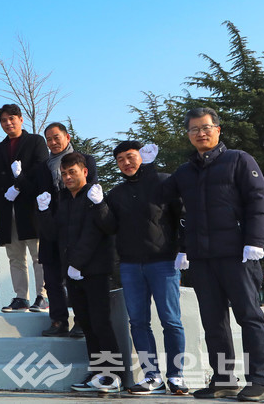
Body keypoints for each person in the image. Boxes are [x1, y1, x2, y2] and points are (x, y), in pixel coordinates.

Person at [162, 108, 264, 400]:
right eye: (194, 129)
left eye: (206, 127)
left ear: (218, 130)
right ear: (188, 135)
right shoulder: (184, 172)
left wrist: (255, 240)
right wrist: (145, 166)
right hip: (203, 258)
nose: (201, 133)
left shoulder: (239, 160)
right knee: (213, 321)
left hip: (238, 254)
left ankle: (260, 378)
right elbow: (166, 202)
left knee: (249, 316)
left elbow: (258, 199)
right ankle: (224, 379)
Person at [88, 141, 187, 395]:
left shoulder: (165, 182)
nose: (126, 163)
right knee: (139, 323)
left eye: (130, 157)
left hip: (163, 262)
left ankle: (176, 376)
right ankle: (152, 375)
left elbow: (182, 215)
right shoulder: (117, 193)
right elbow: (110, 227)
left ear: (142, 157)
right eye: (120, 159)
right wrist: (99, 205)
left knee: (171, 321)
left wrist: (183, 249)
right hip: (131, 265)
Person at [36, 152, 122, 393]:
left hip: (94, 271)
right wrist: (43, 212)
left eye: (72, 172)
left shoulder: (94, 196)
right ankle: (97, 372)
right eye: (63, 174)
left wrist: (79, 264)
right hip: (72, 274)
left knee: (101, 323)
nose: (67, 177)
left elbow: (101, 231)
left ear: (84, 172)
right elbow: (53, 236)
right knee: (85, 323)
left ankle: (112, 374)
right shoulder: (63, 199)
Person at [21, 122, 97, 335]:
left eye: (57, 137)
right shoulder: (43, 167)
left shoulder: (86, 160)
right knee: (52, 277)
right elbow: (33, 191)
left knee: (78, 275)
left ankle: (82, 321)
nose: (53, 143)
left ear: (67, 137)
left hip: (77, 227)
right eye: (49, 139)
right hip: (50, 226)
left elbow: (92, 190)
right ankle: (58, 321)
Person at [0, 104, 47, 313]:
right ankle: (21, 296)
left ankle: (43, 295)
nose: (8, 123)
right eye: (4, 120)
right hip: (7, 208)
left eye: (12, 118)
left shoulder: (35, 141)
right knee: (15, 256)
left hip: (30, 205)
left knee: (39, 254)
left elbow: (40, 169)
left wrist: (18, 184)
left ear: (21, 119)